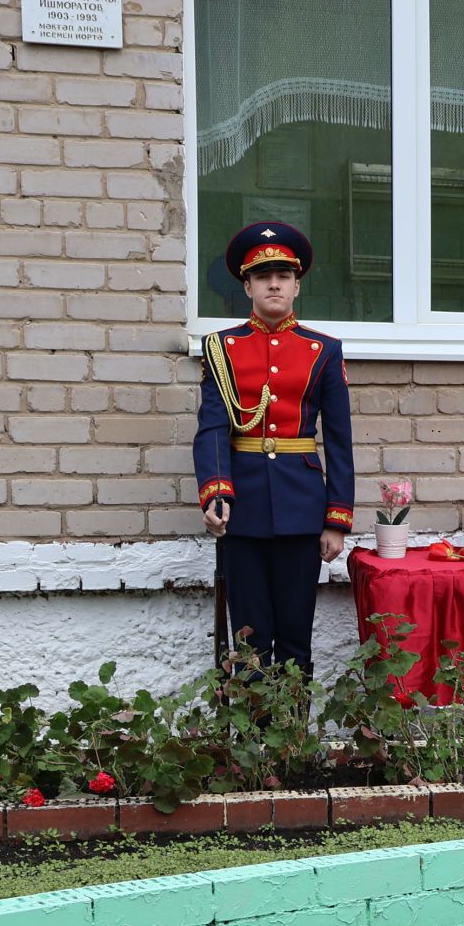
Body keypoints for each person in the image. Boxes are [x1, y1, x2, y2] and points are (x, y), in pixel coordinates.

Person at [193, 221, 354, 676]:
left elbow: (339, 441)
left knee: (294, 638)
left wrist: (336, 520)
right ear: (247, 286)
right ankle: (251, 744)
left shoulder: (323, 350)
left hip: (302, 509)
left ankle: (293, 745)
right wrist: (215, 493)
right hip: (241, 510)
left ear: (297, 285)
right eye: (264, 277)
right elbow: (212, 429)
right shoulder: (222, 349)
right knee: (249, 640)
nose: (274, 284)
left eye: (283, 276)